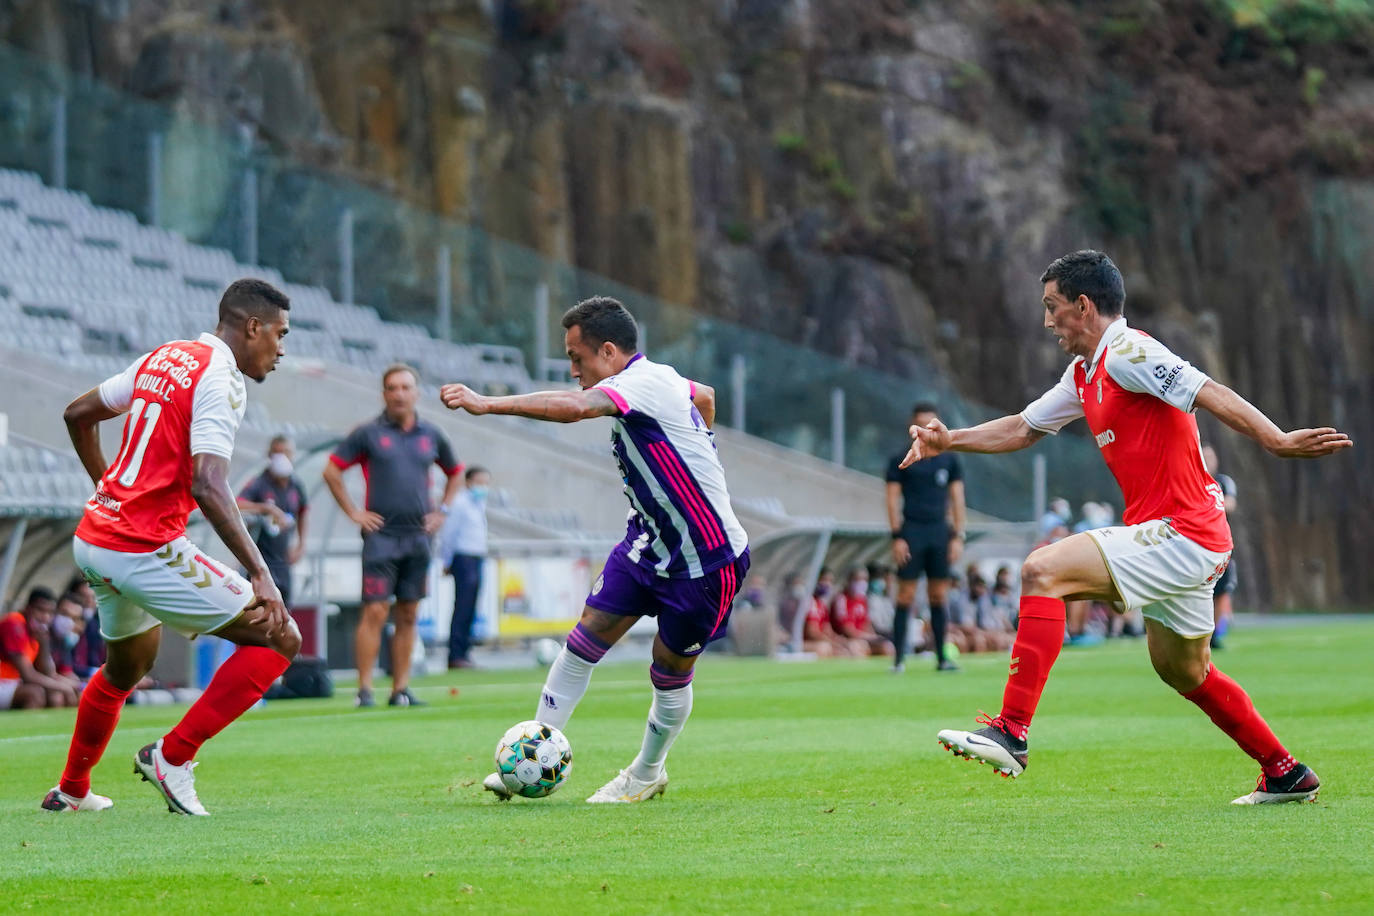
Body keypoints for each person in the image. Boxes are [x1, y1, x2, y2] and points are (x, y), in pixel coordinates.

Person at [904, 250, 1350, 804]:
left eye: (1052, 307)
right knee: (1184, 672)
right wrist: (949, 440)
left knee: (1042, 570)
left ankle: (1011, 731)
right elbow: (1022, 428)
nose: (1046, 321)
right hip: (1187, 536)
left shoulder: (1130, 351)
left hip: (1183, 531)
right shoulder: (1084, 371)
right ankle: (1285, 772)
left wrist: (1277, 440)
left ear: (1084, 306)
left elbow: (1208, 391)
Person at [441, 296, 750, 804]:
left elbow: (577, 408)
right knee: (586, 636)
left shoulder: (638, 384)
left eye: (577, 358)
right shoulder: (665, 377)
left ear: (608, 352)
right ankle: (530, 752)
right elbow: (707, 396)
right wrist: (701, 439)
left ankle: (647, 772)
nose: (573, 370)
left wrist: (489, 404)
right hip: (648, 543)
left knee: (668, 668)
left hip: (706, 558)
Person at [45, 278, 300, 815]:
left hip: (96, 538)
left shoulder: (166, 356)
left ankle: (71, 791)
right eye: (279, 335)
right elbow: (210, 483)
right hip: (142, 546)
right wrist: (261, 574)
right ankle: (173, 756)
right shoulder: (222, 380)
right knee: (280, 638)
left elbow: (77, 414)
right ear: (252, 327)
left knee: (124, 668)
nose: (280, 351)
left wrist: (106, 489)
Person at [324, 364, 464, 707]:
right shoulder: (368, 433)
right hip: (381, 538)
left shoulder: (431, 434)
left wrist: (442, 511)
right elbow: (332, 470)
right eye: (392, 388)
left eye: (405, 387)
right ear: (384, 394)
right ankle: (364, 689)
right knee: (373, 612)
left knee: (409, 613)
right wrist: (354, 512)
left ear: (416, 393)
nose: (399, 394)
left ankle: (400, 689)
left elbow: (456, 472)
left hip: (418, 537)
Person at [886, 401, 966, 673]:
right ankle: (898, 659)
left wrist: (957, 535)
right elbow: (892, 499)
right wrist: (897, 536)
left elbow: (957, 499)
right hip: (912, 531)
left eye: (930, 423)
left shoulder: (950, 460)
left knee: (938, 595)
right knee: (905, 594)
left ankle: (941, 658)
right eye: (920, 423)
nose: (925, 429)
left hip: (939, 532)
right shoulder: (900, 459)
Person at [236, 434, 309, 606]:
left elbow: (304, 511)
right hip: (259, 562)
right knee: (262, 610)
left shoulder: (296, 485)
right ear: (269, 456)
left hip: (284, 561)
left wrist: (301, 544)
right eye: (277, 453)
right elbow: (236, 504)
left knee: (285, 610)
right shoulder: (259, 483)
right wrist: (264, 508)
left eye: (285, 453)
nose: (281, 457)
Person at [438, 466, 490, 669]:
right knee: (462, 605)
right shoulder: (460, 504)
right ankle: (456, 654)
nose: (484, 487)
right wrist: (446, 560)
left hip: (477, 557)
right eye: (480, 482)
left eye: (487, 483)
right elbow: (449, 534)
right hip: (463, 557)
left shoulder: (479, 504)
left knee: (471, 606)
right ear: (468, 482)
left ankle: (465, 651)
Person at [2, 587, 79, 710]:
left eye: (50, 612)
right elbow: (27, 675)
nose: (45, 617)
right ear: (27, 608)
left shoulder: (36, 632)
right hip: (4, 681)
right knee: (35, 693)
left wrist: (44, 643)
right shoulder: (14, 623)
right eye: (40, 610)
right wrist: (63, 686)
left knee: (55, 693)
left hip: (13, 683)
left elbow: (47, 672)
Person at [1201, 443, 1239, 649]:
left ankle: (1215, 633)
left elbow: (1229, 505)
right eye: (1204, 456)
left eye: (1211, 457)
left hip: (1221, 545)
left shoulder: (1223, 482)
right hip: (1197, 544)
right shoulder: (1193, 480)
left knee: (1221, 591)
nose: (1208, 461)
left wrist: (1206, 506)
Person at [830, 567, 893, 656]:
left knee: (887, 647)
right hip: (847, 639)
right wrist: (867, 637)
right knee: (858, 648)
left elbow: (866, 624)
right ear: (849, 580)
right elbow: (846, 629)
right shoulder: (841, 599)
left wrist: (873, 637)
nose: (861, 583)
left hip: (863, 638)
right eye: (857, 579)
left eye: (864, 580)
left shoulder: (862, 600)